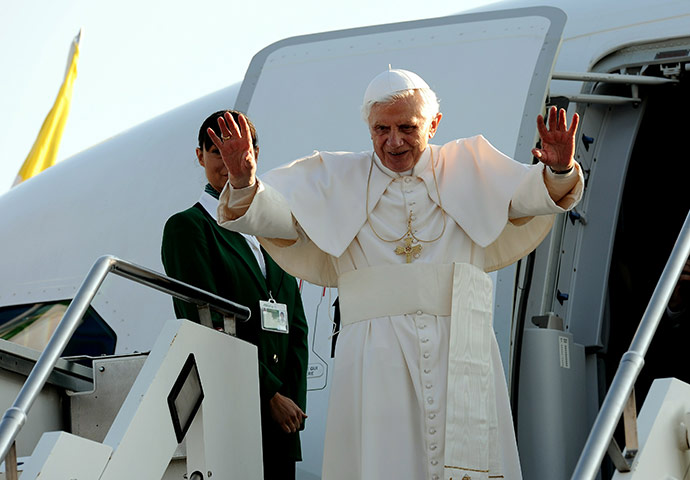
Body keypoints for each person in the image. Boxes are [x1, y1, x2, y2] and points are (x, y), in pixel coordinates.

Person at [210, 70, 584, 480]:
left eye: (408, 128)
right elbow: (280, 218)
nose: (394, 141)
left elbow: (528, 196)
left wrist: (561, 169)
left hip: (459, 346)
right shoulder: (335, 178)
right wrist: (245, 181)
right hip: (375, 355)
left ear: (434, 124)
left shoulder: (469, 166)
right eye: (381, 129)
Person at [160, 110, 308, 480]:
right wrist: (270, 396)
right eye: (216, 151)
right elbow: (204, 322)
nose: (227, 162)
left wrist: (292, 404)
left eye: (237, 150)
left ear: (254, 154)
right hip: (236, 413)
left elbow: (298, 329)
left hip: (282, 425)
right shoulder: (189, 228)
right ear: (200, 157)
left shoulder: (273, 227)